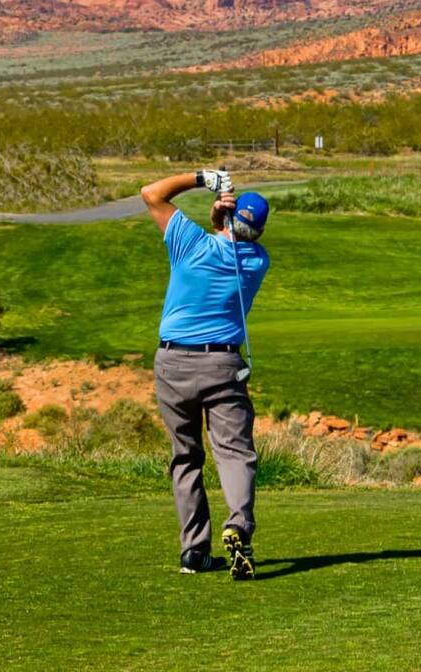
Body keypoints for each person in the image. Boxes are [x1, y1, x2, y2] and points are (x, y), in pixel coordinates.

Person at [140, 169, 270, 580]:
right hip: (222, 365)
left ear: (225, 218)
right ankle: (239, 526)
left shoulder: (190, 244)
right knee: (234, 452)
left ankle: (194, 551)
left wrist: (203, 178)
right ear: (259, 230)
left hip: (173, 363)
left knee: (186, 456)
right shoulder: (258, 261)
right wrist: (222, 218)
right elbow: (233, 238)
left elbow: (152, 193)